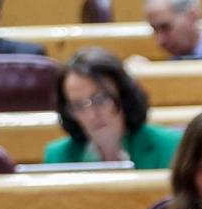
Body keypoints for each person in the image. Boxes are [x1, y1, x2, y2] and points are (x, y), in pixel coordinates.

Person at [43, 47, 180, 168]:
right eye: (79, 106)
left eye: (100, 99)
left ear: (123, 94)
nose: (92, 114)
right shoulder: (57, 156)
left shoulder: (169, 147)